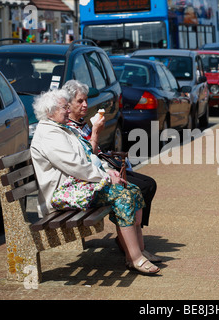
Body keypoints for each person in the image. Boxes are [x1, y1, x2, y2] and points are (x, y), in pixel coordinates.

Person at [30, 88, 160, 274]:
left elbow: (89, 157)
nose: (69, 110)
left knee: (132, 189)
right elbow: (76, 166)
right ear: (50, 112)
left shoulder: (62, 128)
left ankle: (138, 249)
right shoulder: (49, 134)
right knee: (121, 195)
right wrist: (107, 178)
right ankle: (134, 258)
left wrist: (109, 172)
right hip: (61, 192)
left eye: (68, 106)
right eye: (64, 107)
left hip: (77, 185)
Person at [62, 80, 157, 229]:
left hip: (104, 167)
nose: (85, 105)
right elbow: (88, 158)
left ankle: (137, 229)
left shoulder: (81, 122)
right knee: (140, 188)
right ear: (68, 103)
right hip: (93, 175)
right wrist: (96, 132)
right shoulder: (69, 128)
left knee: (150, 184)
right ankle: (131, 233)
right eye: (80, 101)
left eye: (86, 100)